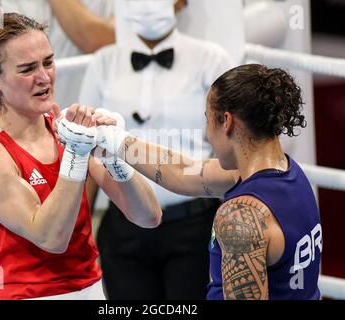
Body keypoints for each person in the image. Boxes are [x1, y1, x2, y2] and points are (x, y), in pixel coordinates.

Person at [0, 13, 162, 300]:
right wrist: (77, 154)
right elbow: (50, 237)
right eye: (27, 69)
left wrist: (112, 155)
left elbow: (148, 216)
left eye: (48, 62)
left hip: (92, 290)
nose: (44, 77)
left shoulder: (66, 130)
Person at [94, 64, 323, 299]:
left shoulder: (242, 216)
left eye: (207, 119)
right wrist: (115, 140)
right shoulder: (288, 172)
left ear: (227, 121)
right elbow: (181, 171)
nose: (206, 134)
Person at [79, 0, 234, 299]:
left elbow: (234, 144)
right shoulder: (103, 63)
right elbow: (85, 150)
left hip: (195, 223)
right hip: (123, 227)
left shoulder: (212, 59)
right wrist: (76, 231)